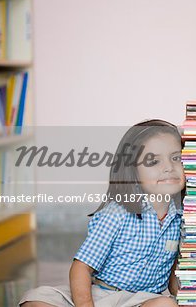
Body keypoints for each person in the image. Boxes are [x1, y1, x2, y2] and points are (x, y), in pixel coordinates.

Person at [20, 119, 186, 307]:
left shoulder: (182, 218)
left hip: (143, 300)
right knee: (35, 300)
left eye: (176, 158)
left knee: (166, 305)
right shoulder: (117, 213)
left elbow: (175, 279)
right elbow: (81, 268)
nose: (169, 167)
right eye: (153, 161)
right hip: (99, 294)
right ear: (133, 170)